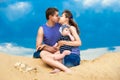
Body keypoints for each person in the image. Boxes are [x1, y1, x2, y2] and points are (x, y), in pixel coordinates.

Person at [33, 8, 72, 73]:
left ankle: (63, 69)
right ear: (50, 17)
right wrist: (47, 47)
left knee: (59, 53)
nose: (58, 17)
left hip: (59, 50)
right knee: (42, 53)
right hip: (48, 51)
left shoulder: (61, 26)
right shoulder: (42, 28)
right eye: (56, 15)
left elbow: (68, 36)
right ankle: (58, 68)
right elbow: (38, 46)